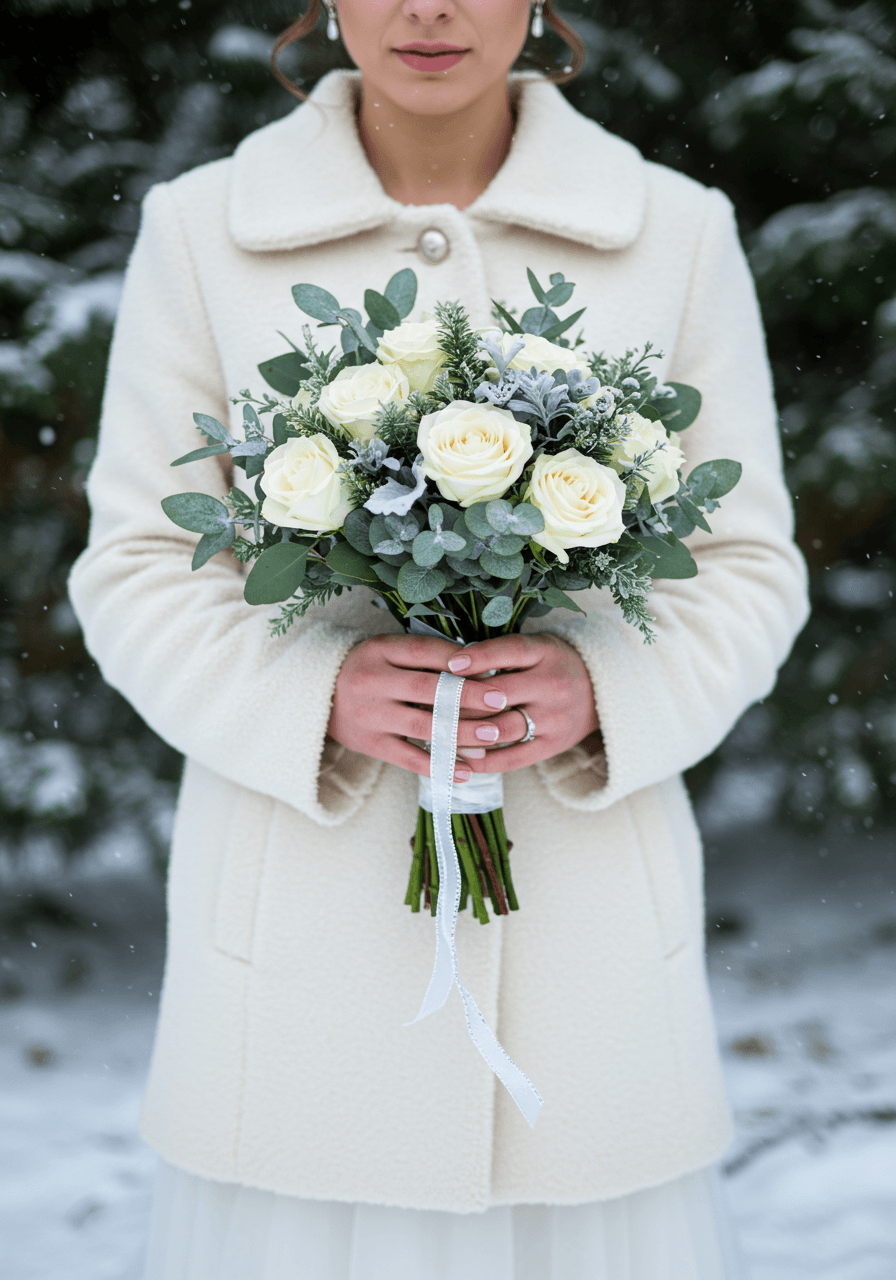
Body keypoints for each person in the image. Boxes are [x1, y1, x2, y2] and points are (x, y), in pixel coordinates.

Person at [68, 2, 809, 1276]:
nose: (426, 12)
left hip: (587, 959)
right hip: (300, 956)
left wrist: (604, 688)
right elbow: (134, 562)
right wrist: (311, 698)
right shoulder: (200, 229)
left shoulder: (674, 230)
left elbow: (746, 561)